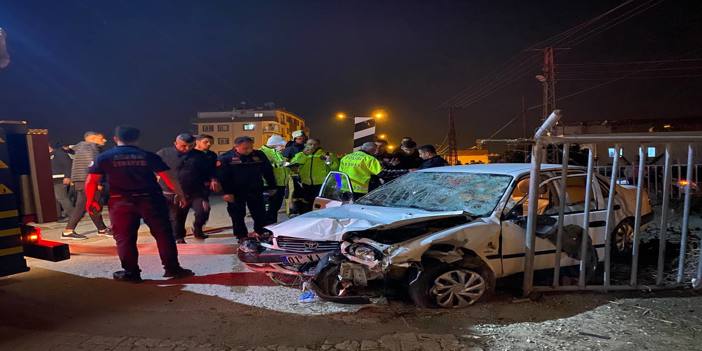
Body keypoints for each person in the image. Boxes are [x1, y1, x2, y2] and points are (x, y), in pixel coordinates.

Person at [85, 126, 194, 282]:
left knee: (124, 238)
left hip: (120, 201)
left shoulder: (104, 157)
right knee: (164, 235)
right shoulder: (148, 155)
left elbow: (91, 181)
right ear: (137, 139)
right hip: (151, 199)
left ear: (116, 139)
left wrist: (90, 201)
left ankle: (131, 273)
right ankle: (172, 269)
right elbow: (168, 177)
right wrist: (180, 194)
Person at [157, 133, 215, 244]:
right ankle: (179, 237)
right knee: (177, 217)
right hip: (172, 192)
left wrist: (213, 179)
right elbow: (154, 169)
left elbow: (209, 171)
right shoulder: (164, 153)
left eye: (191, 146)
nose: (187, 149)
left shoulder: (200, 156)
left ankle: (197, 228)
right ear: (175, 143)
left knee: (203, 210)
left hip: (196, 192)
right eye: (183, 146)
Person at [217, 136, 276, 240]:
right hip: (236, 191)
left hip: (255, 189)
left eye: (251, 147)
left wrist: (271, 186)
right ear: (236, 147)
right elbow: (222, 177)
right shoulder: (226, 158)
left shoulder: (258, 155)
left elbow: (268, 171)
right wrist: (226, 193)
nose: (249, 150)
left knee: (259, 213)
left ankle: (260, 232)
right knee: (237, 215)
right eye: (245, 148)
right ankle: (241, 236)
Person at [63, 131, 111, 240]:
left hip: (81, 180)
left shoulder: (81, 147)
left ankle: (69, 230)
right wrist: (97, 183)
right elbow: (93, 166)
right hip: (88, 181)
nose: (104, 140)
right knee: (93, 204)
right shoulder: (91, 147)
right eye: (102, 138)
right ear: (93, 138)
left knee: (82, 206)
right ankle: (69, 231)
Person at [289, 138, 338, 213]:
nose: (312, 146)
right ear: (305, 144)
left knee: (319, 206)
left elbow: (335, 168)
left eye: (315, 144)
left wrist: (329, 162)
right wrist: (304, 154)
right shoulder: (301, 154)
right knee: (306, 205)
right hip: (305, 184)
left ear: (318, 145)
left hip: (321, 184)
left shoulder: (327, 154)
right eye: (310, 144)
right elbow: (293, 164)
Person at [260, 135, 289, 224]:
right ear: (275, 144)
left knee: (274, 208)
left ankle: (272, 228)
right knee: (269, 210)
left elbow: (280, 165)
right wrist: (283, 164)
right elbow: (265, 167)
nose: (283, 147)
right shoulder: (262, 152)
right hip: (270, 185)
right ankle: (266, 229)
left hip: (280, 184)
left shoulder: (275, 152)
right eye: (282, 145)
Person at [49, 143, 74, 221]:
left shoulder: (59, 154)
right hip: (52, 179)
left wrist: (67, 176)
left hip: (60, 179)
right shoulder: (48, 155)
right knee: (56, 199)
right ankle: (58, 215)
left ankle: (72, 215)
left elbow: (68, 165)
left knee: (62, 197)